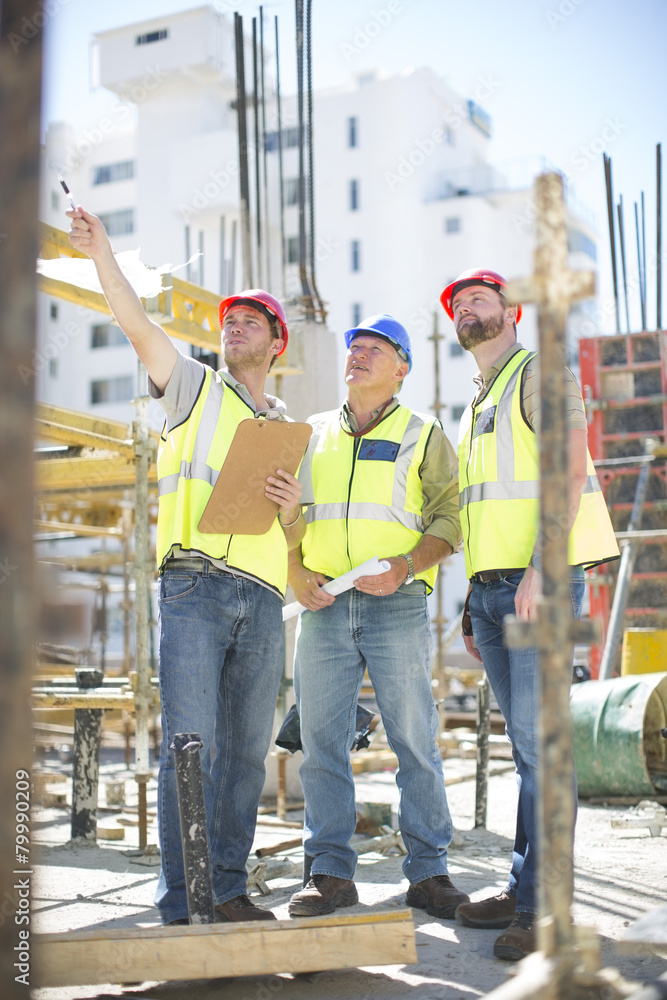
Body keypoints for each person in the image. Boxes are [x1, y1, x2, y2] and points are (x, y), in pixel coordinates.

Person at [68, 207, 304, 925]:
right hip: (195, 587)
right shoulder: (194, 387)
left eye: (250, 321)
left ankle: (227, 890)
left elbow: (293, 532)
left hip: (263, 601)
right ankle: (184, 898)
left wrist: (293, 509)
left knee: (242, 760)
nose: (233, 327)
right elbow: (135, 322)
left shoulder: (287, 424)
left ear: (276, 342)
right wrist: (102, 251)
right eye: (229, 320)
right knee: (190, 749)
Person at [439, 269, 619, 960]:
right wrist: (469, 600)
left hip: (537, 579)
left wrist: (544, 566)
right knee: (526, 748)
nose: (464, 310)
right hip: (492, 589)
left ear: (510, 313)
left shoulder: (536, 370)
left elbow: (568, 466)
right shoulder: (476, 401)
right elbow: (485, 508)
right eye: (458, 305)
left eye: (477, 300)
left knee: (541, 748)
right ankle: (524, 889)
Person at [286, 314, 469, 921]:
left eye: (375, 349)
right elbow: (288, 513)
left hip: (397, 604)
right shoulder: (310, 433)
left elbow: (450, 519)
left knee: (414, 739)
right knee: (320, 746)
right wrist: (294, 568)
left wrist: (407, 564)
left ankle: (428, 873)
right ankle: (330, 873)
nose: (358, 355)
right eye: (353, 347)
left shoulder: (424, 433)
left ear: (402, 368)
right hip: (324, 607)